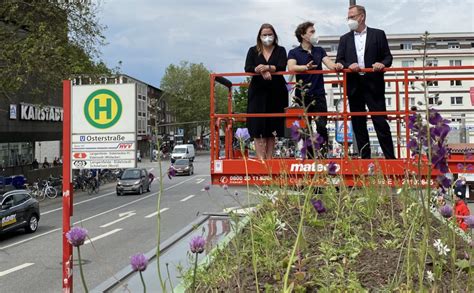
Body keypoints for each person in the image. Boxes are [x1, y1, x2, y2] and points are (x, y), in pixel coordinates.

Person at [336, 5, 395, 159]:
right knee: (358, 124)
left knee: (380, 122)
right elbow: (340, 60)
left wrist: (381, 64)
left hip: (374, 85)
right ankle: (365, 159)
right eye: (348, 17)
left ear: (361, 17)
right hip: (354, 85)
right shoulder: (344, 39)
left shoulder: (378, 34)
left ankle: (391, 159)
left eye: (352, 17)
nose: (349, 20)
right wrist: (349, 65)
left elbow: (388, 57)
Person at [288, 21, 343, 158]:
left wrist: (337, 66)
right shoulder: (294, 52)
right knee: (305, 128)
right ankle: (310, 157)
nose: (314, 34)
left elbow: (329, 64)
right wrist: (306, 67)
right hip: (302, 95)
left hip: (318, 94)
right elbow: (291, 67)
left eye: (314, 31)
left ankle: (323, 154)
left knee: (321, 126)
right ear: (303, 35)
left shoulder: (319, 50)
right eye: (311, 32)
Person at [245, 23, 288, 159]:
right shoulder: (253, 50)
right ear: (259, 36)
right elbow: (248, 67)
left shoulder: (280, 50)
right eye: (264, 35)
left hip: (276, 92)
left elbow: (282, 66)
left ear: (274, 35)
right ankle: (261, 161)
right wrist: (259, 70)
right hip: (258, 93)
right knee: (258, 129)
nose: (267, 37)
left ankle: (269, 160)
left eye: (270, 34)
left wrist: (268, 67)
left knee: (272, 128)